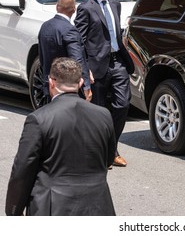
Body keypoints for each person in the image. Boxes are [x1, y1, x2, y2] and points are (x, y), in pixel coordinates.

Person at [5, 57, 116, 216]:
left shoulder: (39, 119)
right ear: (80, 83)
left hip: (53, 207)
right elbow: (108, 158)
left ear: (51, 82)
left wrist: (13, 211)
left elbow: (22, 171)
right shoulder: (104, 115)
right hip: (98, 205)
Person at [75, 0, 135, 167]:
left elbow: (116, 34)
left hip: (117, 61)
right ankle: (101, 153)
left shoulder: (115, 5)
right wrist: (85, 69)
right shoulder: (86, 8)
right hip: (96, 65)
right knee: (98, 112)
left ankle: (111, 148)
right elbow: (79, 41)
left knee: (123, 104)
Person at [38, 0, 92, 103]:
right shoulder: (70, 30)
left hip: (49, 84)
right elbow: (77, 60)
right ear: (74, 9)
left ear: (57, 6)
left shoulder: (45, 26)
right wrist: (86, 85)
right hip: (67, 88)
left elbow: (42, 56)